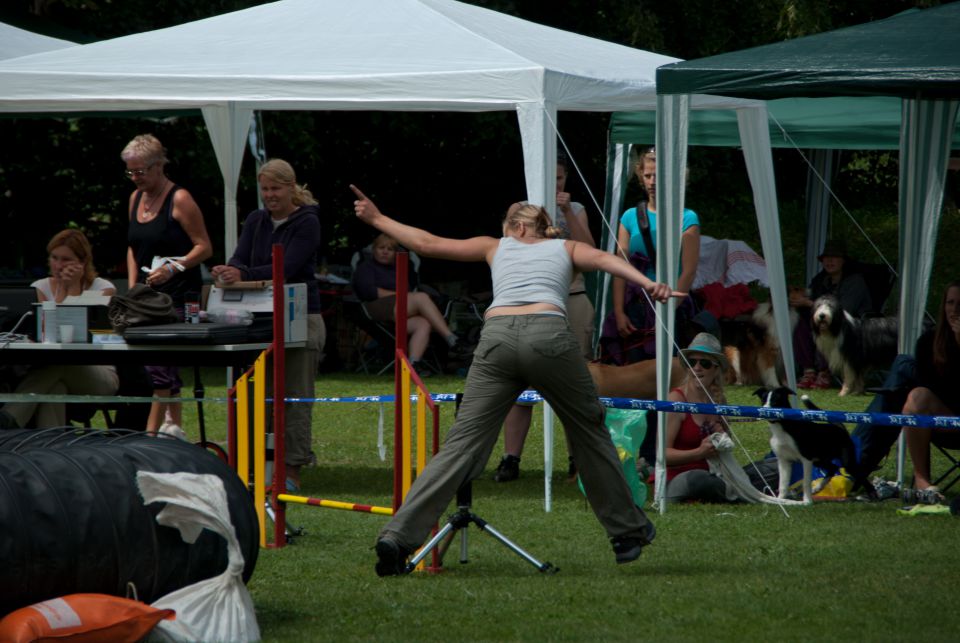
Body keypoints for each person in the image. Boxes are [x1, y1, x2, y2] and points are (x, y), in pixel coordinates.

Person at [350, 184, 677, 576]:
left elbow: (428, 243)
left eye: (506, 226)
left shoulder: (495, 246)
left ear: (518, 229)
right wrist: (649, 284)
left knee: (461, 444)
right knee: (588, 431)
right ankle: (626, 534)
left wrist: (377, 219)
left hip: (497, 339)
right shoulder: (566, 249)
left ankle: (398, 536)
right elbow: (607, 260)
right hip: (550, 337)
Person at [211, 158, 325, 492]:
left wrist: (242, 274)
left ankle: (291, 469)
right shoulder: (256, 220)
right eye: (264, 189)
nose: (270, 195)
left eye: (276, 188)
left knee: (294, 397)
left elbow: (286, 267)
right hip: (258, 316)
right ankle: (250, 461)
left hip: (301, 316)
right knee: (254, 391)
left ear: (292, 188)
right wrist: (228, 270)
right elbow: (239, 258)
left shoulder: (307, 222)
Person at [493, 150, 597, 482]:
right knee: (519, 383)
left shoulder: (576, 209)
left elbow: (591, 250)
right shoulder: (517, 211)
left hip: (572, 298)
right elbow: (507, 248)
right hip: (529, 304)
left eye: (560, 179)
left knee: (576, 381)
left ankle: (576, 457)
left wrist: (565, 210)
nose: (555, 185)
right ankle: (511, 457)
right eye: (549, 179)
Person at [122, 134, 212, 434]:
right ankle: (174, 429)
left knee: (159, 367)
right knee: (156, 365)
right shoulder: (135, 199)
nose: (135, 178)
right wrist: (134, 288)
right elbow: (133, 248)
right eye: (130, 172)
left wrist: (173, 268)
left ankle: (150, 436)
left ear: (159, 166)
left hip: (178, 296)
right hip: (146, 299)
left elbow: (204, 247)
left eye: (141, 171)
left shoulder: (180, 199)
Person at [0, 230, 118, 429]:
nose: (58, 265)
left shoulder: (103, 288)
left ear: (82, 262)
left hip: (97, 373)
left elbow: (75, 335)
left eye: (66, 259)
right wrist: (62, 290)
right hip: (52, 371)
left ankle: (9, 416)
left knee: (60, 364)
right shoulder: (41, 287)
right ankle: (51, 449)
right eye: (54, 258)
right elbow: (49, 336)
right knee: (55, 388)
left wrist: (70, 289)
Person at [603, 145, 701, 364]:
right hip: (635, 305)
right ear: (641, 177)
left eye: (659, 175)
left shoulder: (687, 218)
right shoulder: (629, 217)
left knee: (670, 369)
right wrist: (619, 311)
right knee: (633, 370)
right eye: (648, 175)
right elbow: (620, 268)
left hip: (671, 303)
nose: (653, 181)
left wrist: (668, 312)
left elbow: (688, 271)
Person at [351, 232, 471, 376]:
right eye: (381, 248)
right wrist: (402, 295)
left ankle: (412, 365)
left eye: (390, 249)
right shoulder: (366, 267)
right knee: (420, 297)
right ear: (374, 249)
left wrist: (403, 296)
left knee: (423, 323)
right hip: (375, 308)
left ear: (395, 253)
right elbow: (369, 292)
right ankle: (452, 339)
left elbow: (407, 291)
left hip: (400, 310)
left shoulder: (399, 268)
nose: (385, 252)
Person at [902, 280, 960, 502]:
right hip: (945, 418)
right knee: (917, 397)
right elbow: (932, 385)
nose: (955, 310)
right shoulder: (928, 341)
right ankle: (922, 480)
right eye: (950, 303)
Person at [789, 239, 872, 389]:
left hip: (851, 326)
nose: (829, 261)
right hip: (825, 321)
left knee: (824, 326)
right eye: (826, 258)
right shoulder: (820, 280)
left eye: (834, 258)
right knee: (801, 323)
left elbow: (844, 310)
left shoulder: (855, 282)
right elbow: (811, 297)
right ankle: (808, 371)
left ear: (843, 261)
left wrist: (809, 303)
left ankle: (825, 372)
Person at [663, 332, 735, 503]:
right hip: (680, 479)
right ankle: (734, 492)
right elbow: (663, 454)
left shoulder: (718, 399)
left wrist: (722, 438)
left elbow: (727, 447)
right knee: (701, 480)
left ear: (716, 368)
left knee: (769, 467)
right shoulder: (676, 400)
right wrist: (699, 452)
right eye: (691, 362)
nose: (696, 368)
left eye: (704, 363)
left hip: (714, 472)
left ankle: (733, 489)